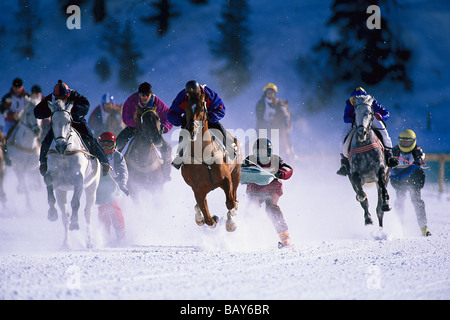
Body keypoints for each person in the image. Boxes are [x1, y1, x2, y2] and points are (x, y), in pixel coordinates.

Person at [34, 80, 110, 176]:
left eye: (63, 98)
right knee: (47, 140)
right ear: (54, 95)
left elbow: (86, 105)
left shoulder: (74, 95)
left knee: (89, 138)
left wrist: (72, 110)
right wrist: (50, 110)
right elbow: (37, 112)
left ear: (68, 94)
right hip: (60, 124)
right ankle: (43, 163)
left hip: (76, 122)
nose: (61, 100)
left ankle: (104, 162)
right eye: (58, 98)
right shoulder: (51, 98)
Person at [168, 80, 235, 169]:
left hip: (206, 118)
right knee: (184, 133)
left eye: (196, 94)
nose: (193, 96)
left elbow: (221, 108)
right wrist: (181, 120)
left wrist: (211, 117)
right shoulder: (182, 97)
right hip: (190, 120)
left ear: (200, 90)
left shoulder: (208, 94)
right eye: (190, 95)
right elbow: (171, 113)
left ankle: (230, 147)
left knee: (217, 127)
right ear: (187, 93)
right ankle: (180, 156)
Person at [242, 138, 294, 248]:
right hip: (255, 188)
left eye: (263, 151)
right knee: (252, 207)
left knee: (271, 207)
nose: (261, 155)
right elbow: (239, 171)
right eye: (259, 151)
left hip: (272, 187)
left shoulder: (275, 160)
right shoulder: (249, 160)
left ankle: (285, 239)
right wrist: (241, 177)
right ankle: (243, 237)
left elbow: (288, 169)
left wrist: (280, 173)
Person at [336, 87, 399, 176]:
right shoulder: (349, 103)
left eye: (360, 98)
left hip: (371, 119)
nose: (356, 101)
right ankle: (344, 163)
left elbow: (386, 113)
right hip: (356, 122)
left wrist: (380, 116)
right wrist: (355, 119)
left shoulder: (372, 101)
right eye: (354, 99)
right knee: (343, 136)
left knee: (384, 132)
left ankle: (389, 156)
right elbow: (346, 118)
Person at [390, 129, 431, 236]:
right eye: (403, 142)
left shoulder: (417, 150)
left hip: (415, 178)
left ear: (413, 142)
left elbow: (421, 156)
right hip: (399, 179)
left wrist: (419, 160)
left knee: (417, 201)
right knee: (400, 201)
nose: (405, 144)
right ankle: (399, 226)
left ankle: (424, 228)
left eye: (408, 142)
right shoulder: (394, 150)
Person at [116, 82, 172, 151]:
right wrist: (138, 124)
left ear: (151, 95)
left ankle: (168, 160)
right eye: (142, 95)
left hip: (152, 129)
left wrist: (164, 127)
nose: (145, 97)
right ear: (139, 94)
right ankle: (115, 156)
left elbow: (169, 117)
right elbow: (126, 117)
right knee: (119, 141)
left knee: (166, 149)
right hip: (134, 128)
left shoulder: (156, 101)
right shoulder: (132, 100)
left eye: (147, 95)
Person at [97, 132, 129, 242]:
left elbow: (123, 171)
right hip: (101, 185)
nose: (106, 148)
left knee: (114, 208)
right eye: (103, 145)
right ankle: (105, 234)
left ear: (114, 145)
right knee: (103, 210)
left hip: (114, 185)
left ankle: (121, 234)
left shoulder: (117, 156)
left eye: (109, 145)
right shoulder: (96, 155)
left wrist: (122, 184)